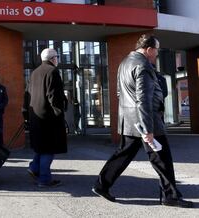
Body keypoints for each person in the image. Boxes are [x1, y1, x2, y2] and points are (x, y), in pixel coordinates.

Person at [92, 34, 193, 208]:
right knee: (163, 159)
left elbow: (119, 94)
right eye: (156, 50)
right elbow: (143, 99)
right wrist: (147, 129)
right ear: (148, 49)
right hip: (148, 120)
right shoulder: (143, 66)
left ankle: (102, 185)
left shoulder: (124, 63)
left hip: (130, 121)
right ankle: (170, 196)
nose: (157, 54)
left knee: (123, 154)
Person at [23, 48, 68, 188]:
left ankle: (34, 168)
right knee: (48, 149)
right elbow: (54, 97)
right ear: (53, 58)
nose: (58, 60)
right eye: (57, 57)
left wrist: (25, 115)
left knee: (41, 147)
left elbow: (27, 96)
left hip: (36, 118)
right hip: (49, 119)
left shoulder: (34, 73)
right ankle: (44, 180)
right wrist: (59, 113)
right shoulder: (52, 72)